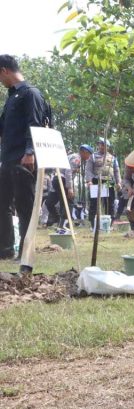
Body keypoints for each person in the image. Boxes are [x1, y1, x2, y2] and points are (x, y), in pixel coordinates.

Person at [0, 54, 50, 260]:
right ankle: (5, 250)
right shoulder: (12, 97)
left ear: (4, 70)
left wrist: (30, 152)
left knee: (24, 207)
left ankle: (25, 252)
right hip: (7, 159)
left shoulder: (31, 94)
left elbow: (35, 123)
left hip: (24, 159)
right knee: (2, 204)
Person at [84, 137, 121, 230]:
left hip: (109, 181)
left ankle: (109, 224)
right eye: (100, 144)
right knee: (94, 203)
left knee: (110, 203)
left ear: (107, 147)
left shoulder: (113, 158)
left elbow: (116, 171)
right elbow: (88, 169)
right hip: (97, 181)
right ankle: (93, 225)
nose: (101, 146)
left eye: (103, 145)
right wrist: (89, 181)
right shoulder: (92, 156)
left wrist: (119, 182)